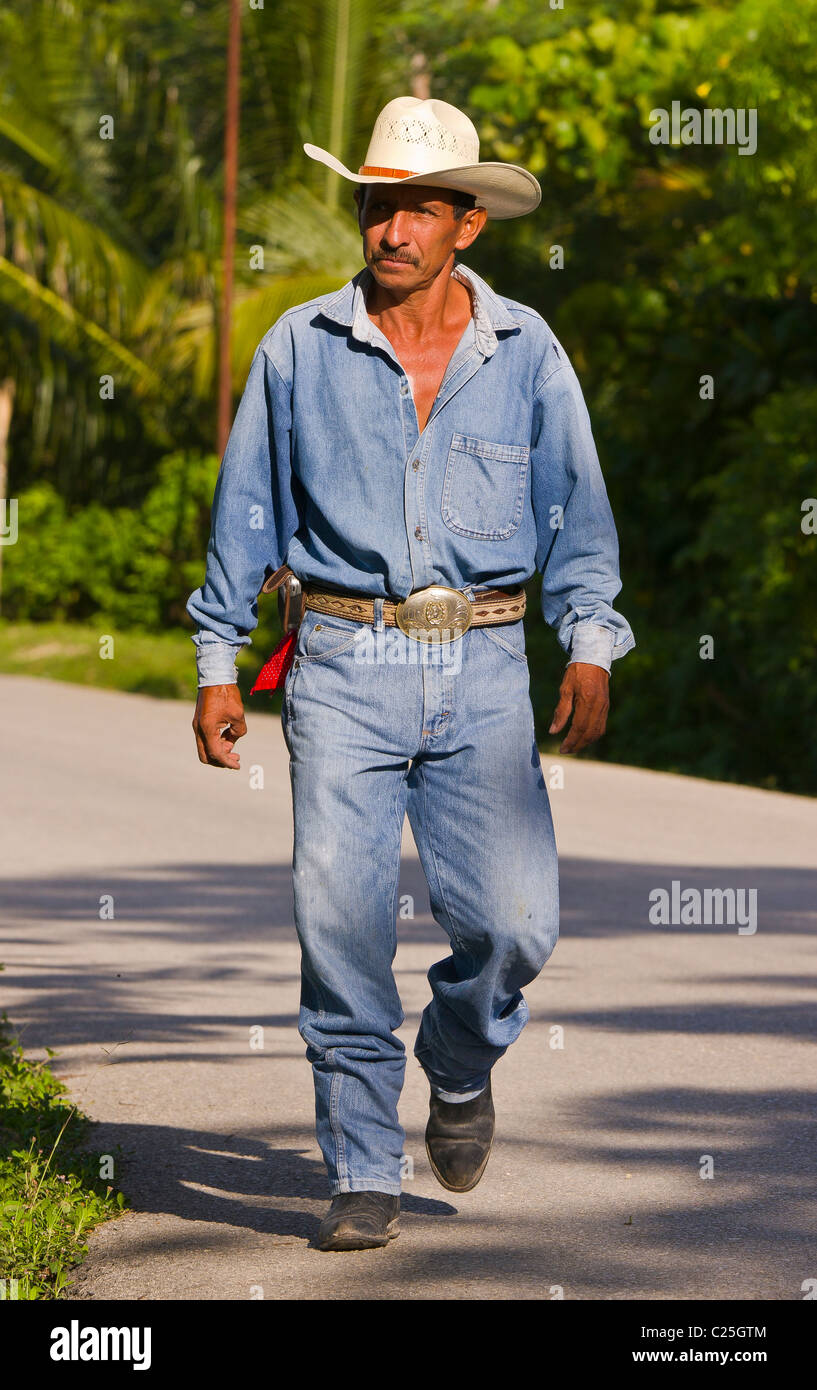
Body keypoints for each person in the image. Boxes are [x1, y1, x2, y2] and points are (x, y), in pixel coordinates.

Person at [187, 96, 635, 1253]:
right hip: (339, 658)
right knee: (338, 926)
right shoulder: (298, 346)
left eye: (415, 211)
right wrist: (216, 658)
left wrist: (590, 639)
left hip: (483, 658)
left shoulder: (527, 350)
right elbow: (247, 509)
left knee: (517, 925)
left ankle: (455, 1056)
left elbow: (575, 507)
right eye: (376, 207)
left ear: (464, 225)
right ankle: (361, 1167)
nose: (389, 231)